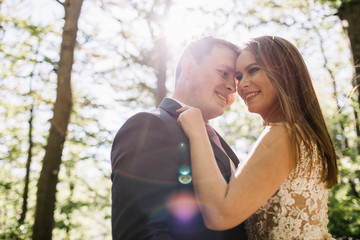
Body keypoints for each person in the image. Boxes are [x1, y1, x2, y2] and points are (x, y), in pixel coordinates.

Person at [177, 35, 338, 239]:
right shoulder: (301, 134)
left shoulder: (283, 134)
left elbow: (220, 215)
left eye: (253, 70)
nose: (240, 85)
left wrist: (197, 130)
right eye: (239, 76)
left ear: (284, 72)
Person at [111, 36, 248, 240]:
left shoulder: (221, 145)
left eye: (236, 80)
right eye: (223, 73)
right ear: (189, 68)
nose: (232, 87)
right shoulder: (148, 126)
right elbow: (139, 234)